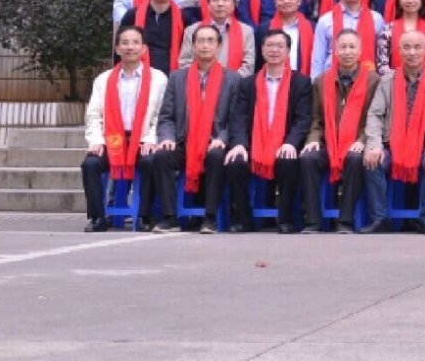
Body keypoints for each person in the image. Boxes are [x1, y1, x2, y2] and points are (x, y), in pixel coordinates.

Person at [152, 24, 240, 233]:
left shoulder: (233, 79)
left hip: (215, 141)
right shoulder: (177, 78)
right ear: (193, 46)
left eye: (211, 41)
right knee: (162, 156)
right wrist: (167, 137)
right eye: (200, 41)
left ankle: (210, 218)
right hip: (184, 140)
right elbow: (166, 117)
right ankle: (170, 218)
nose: (205, 45)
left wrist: (223, 138)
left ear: (219, 47)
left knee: (216, 156)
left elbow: (235, 119)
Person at [363, 31, 425, 235]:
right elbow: (375, 114)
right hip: (392, 143)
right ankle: (379, 218)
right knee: (372, 160)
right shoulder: (388, 80)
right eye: (407, 47)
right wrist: (374, 144)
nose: (412, 52)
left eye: (417, 47)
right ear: (399, 51)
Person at [224, 28, 313, 233]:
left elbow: (303, 119)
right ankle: (243, 219)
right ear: (262, 49)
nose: (274, 50)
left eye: (280, 46)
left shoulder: (301, 83)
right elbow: (238, 118)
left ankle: (285, 219)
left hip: (286, 142)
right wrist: (239, 144)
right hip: (254, 144)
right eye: (270, 45)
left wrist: (291, 143)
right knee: (235, 162)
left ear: (288, 51)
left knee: (288, 160)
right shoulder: (248, 83)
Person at [81, 26, 168, 232]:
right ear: (117, 48)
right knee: (90, 164)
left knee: (151, 161)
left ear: (144, 48)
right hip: (112, 140)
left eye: (135, 42)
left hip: (142, 138)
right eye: (125, 43)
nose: (130, 47)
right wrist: (96, 141)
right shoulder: (103, 80)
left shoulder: (158, 79)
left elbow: (161, 115)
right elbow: (94, 115)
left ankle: (145, 216)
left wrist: (151, 138)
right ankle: (97, 218)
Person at [299, 28, 377, 232]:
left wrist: (363, 140)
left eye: (352, 47)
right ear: (335, 50)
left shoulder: (373, 81)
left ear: (360, 51)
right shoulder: (322, 81)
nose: (347, 52)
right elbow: (316, 119)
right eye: (343, 47)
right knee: (308, 158)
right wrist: (313, 140)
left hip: (357, 142)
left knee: (355, 159)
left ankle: (345, 220)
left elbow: (375, 119)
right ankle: (313, 221)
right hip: (329, 142)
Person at [310, 0, 384, 79]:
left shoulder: (377, 19)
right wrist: (315, 84)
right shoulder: (325, 20)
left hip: (367, 81)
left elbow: (380, 57)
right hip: (331, 81)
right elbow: (317, 60)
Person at [182, 0, 257, 78]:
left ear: (233, 4)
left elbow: (248, 66)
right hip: (199, 84)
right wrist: (204, 81)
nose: (220, 4)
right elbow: (185, 63)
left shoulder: (246, 31)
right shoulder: (192, 30)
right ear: (208, 4)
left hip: (234, 85)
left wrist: (228, 83)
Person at [120, 0, 184, 75]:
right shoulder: (132, 15)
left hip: (172, 76)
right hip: (137, 75)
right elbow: (120, 47)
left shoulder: (183, 18)